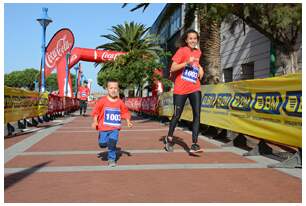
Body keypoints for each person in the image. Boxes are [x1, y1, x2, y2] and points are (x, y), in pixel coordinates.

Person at [165, 29, 204, 153]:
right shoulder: (182, 50)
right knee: (177, 115)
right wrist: (186, 63)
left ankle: (194, 143)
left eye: (195, 38)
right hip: (181, 89)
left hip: (194, 87)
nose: (193, 40)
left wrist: (201, 68)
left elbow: (196, 64)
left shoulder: (198, 52)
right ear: (186, 40)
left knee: (197, 114)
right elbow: (173, 67)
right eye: (190, 38)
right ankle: (170, 137)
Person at [91, 79, 133, 167]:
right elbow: (96, 111)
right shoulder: (102, 101)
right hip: (103, 127)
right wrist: (95, 121)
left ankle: (111, 159)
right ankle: (101, 140)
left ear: (118, 90)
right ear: (107, 89)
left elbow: (125, 112)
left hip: (115, 128)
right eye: (111, 88)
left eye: (115, 88)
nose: (113, 90)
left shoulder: (120, 102)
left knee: (112, 143)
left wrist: (128, 121)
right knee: (103, 144)